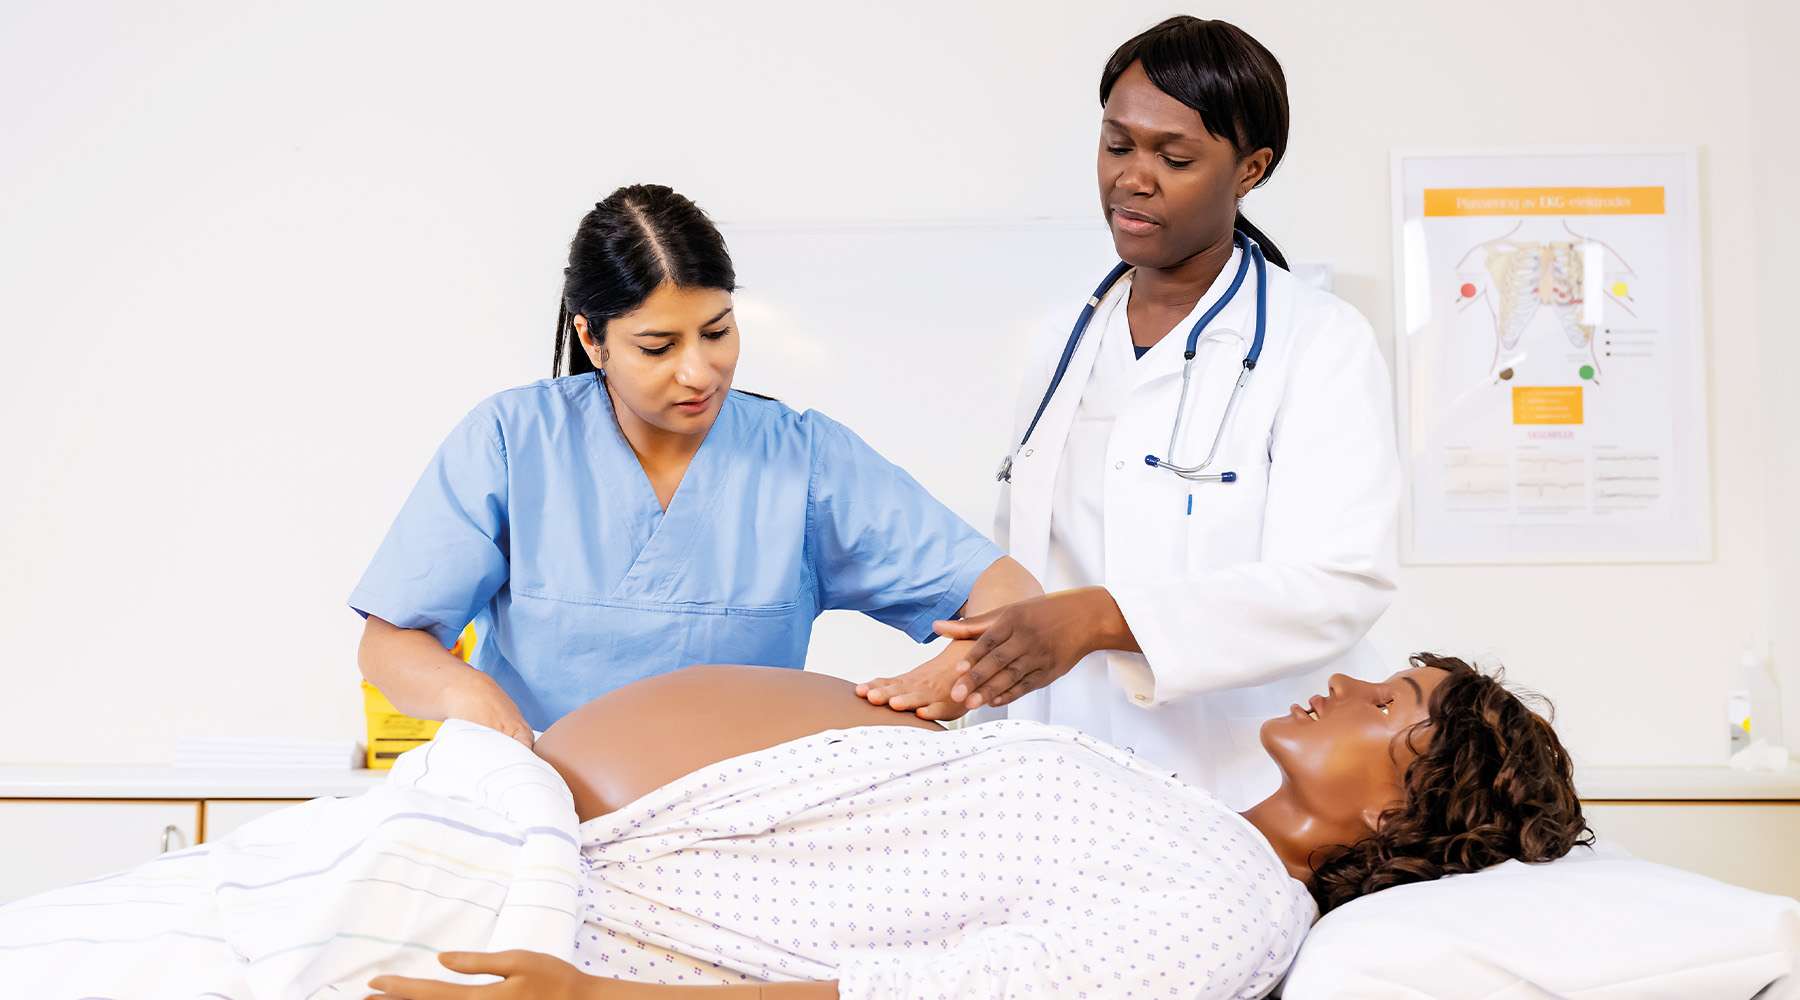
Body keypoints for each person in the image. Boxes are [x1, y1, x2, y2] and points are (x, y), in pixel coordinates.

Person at [859, 17, 1401, 807]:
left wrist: (1103, 619)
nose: (1132, 178)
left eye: (1174, 157)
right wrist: (980, 665)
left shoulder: (1316, 341)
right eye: (1117, 146)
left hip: (1233, 777)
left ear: (1250, 169)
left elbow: (1339, 582)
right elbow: (1037, 562)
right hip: (1054, 768)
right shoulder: (1065, 341)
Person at [366, 654, 1591, 999]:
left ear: (1395, 810)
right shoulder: (1203, 827)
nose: (1354, 686)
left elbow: (931, 996)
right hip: (559, 839)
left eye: (1393, 708)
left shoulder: (1240, 913)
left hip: (591, 927)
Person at [350, 184, 1039, 743]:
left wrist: (948, 677)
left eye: (718, 331)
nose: (699, 372)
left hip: (740, 822)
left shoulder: (803, 461)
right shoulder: (512, 441)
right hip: (547, 798)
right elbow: (391, 642)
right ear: (592, 338)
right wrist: (481, 709)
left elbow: (1004, 589)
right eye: (657, 346)